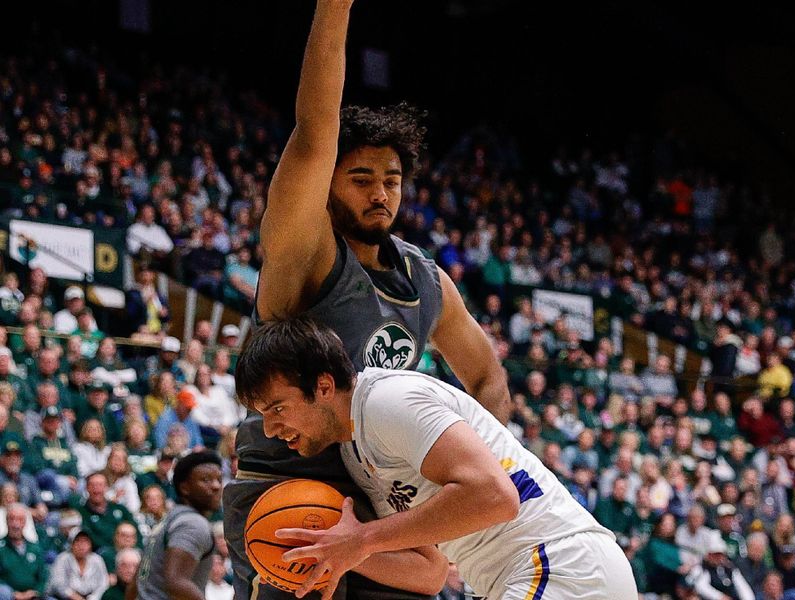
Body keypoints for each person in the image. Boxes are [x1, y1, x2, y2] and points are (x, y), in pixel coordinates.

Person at [223, 1, 509, 599]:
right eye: (360, 179)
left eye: (392, 180)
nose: (380, 194)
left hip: (376, 491)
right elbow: (312, 132)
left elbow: (486, 376)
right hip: (290, 475)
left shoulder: (428, 282)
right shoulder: (306, 251)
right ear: (327, 182)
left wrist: (477, 465)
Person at [235, 317, 637, 600]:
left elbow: (495, 496)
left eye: (277, 409)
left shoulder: (387, 402)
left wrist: (363, 539)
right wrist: (342, 553)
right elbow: (430, 573)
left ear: (323, 387)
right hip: (520, 576)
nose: (270, 429)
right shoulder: (356, 452)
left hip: (559, 563)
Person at [127, 451, 222, 600]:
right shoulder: (193, 523)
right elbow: (176, 582)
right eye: (205, 480)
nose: (216, 486)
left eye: (219, 479)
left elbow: (134, 585)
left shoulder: (168, 519)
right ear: (185, 488)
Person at [0, 503, 49, 600]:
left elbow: (43, 576)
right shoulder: (1, 547)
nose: (15, 524)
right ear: (6, 521)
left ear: (25, 522)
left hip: (32, 596)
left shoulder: (35, 548)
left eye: (20, 519)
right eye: (12, 519)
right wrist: (14, 594)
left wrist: (35, 592)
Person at [48, 528, 109, 600]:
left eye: (85, 541)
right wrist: (76, 598)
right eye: (77, 541)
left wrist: (93, 598)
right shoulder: (63, 558)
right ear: (71, 544)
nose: (81, 545)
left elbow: (103, 584)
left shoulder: (97, 560)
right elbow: (58, 585)